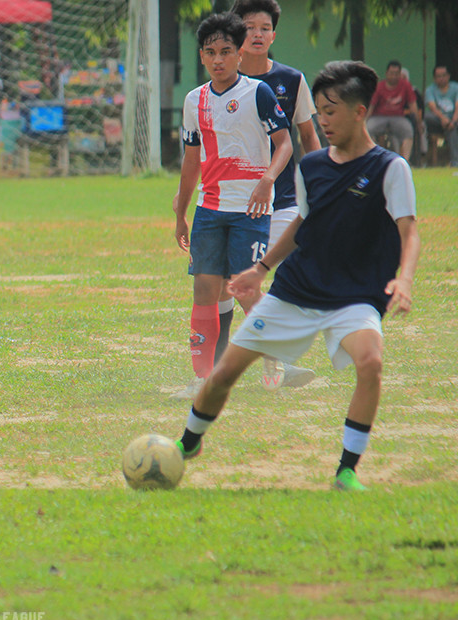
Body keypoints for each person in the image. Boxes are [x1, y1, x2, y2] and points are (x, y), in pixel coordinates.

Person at [176, 60, 420, 492]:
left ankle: (346, 469)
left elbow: (409, 231)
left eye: (330, 112)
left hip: (354, 297)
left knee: (371, 362)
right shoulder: (312, 167)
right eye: (320, 112)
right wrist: (260, 269)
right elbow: (302, 226)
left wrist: (405, 278)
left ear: (360, 111)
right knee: (224, 374)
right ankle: (186, 444)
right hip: (295, 292)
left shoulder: (390, 168)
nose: (322, 121)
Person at [171, 12, 292, 400]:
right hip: (210, 208)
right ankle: (202, 378)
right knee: (205, 289)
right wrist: (181, 213)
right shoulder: (195, 100)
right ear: (202, 56)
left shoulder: (258, 93)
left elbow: (285, 144)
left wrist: (267, 181)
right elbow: (192, 162)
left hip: (252, 210)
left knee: (243, 287)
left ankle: (274, 358)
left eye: (226, 51)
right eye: (211, 52)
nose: (219, 59)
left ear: (239, 54)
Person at [232, 0, 321, 390]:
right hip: (236, 202)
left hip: (283, 200)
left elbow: (307, 136)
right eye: (248, 26)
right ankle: (275, 359)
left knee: (284, 284)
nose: (256, 34)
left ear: (274, 34)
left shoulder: (292, 79)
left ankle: (279, 361)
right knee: (236, 283)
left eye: (264, 27)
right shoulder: (222, 78)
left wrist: (324, 183)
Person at [367, 60, 422, 161]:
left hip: (398, 117)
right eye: (391, 73)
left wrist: (418, 122)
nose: (394, 76)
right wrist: (364, 121)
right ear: (386, 73)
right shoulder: (379, 86)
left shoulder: (405, 85)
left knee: (408, 130)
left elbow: (412, 104)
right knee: (368, 129)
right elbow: (371, 106)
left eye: (396, 74)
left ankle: (405, 161)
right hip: (380, 117)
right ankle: (373, 158)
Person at [424, 64, 458, 167]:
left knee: (452, 129)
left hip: (454, 119)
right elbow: (432, 107)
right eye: (439, 76)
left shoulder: (455, 87)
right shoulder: (430, 90)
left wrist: (452, 121)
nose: (442, 78)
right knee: (426, 116)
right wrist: (444, 119)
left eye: (444, 75)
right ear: (434, 78)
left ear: (448, 76)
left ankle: (455, 162)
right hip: (438, 120)